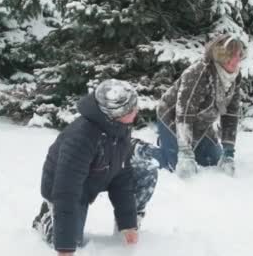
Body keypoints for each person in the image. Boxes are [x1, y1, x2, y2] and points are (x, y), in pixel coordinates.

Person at [32, 79, 158, 255]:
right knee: (72, 240)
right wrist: (65, 247)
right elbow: (66, 190)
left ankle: (130, 222)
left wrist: (128, 223)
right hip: (66, 188)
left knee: (145, 170)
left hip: (98, 173)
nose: (136, 111)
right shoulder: (81, 138)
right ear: (116, 113)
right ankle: (47, 219)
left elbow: (121, 174)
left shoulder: (120, 126)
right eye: (131, 109)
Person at [155, 33, 244, 178]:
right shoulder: (199, 72)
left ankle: (170, 143)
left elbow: (231, 114)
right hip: (173, 118)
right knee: (173, 166)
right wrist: (184, 151)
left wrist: (228, 152)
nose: (235, 59)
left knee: (212, 160)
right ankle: (145, 149)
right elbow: (184, 113)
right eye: (230, 54)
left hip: (202, 124)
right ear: (219, 55)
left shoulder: (235, 76)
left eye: (238, 54)